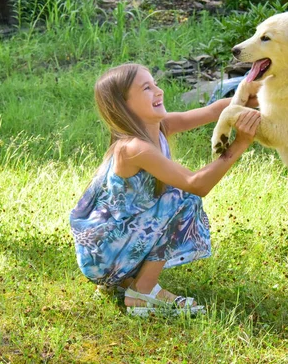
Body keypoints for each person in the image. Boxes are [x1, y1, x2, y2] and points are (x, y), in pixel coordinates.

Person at [69, 63, 261, 316]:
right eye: (147, 88)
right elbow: (197, 185)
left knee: (172, 195)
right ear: (123, 105)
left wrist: (254, 94)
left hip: (111, 248)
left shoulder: (160, 128)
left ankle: (124, 282)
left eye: (155, 83)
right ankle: (142, 292)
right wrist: (241, 143)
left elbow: (213, 110)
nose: (158, 91)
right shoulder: (134, 147)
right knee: (181, 194)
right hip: (103, 253)